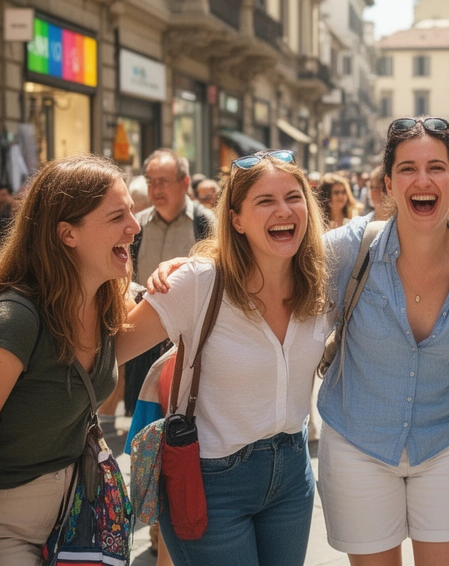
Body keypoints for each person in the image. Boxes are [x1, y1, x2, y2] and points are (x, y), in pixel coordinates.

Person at [120, 148, 329, 566]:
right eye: (265, 201)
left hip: (292, 473)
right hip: (211, 480)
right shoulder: (199, 281)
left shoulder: (322, 276)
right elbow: (113, 348)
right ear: (236, 220)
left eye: (293, 196)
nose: (284, 210)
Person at [314, 117, 449, 565]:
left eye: (436, 167)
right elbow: (272, 271)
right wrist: (196, 270)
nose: (422, 180)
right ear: (388, 184)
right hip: (357, 442)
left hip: (445, 442)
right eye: (407, 169)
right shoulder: (347, 249)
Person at [0, 156, 136, 566]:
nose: (135, 226)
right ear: (67, 233)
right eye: (117, 216)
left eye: (131, 211)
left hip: (67, 517)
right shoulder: (15, 320)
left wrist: (178, 272)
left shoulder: (104, 300)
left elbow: (171, 311)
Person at [126, 150, 215, 415]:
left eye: (163, 181)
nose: (156, 189)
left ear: (185, 183)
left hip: (188, 344)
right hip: (145, 339)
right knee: (145, 418)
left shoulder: (204, 223)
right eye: (150, 181)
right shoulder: (137, 226)